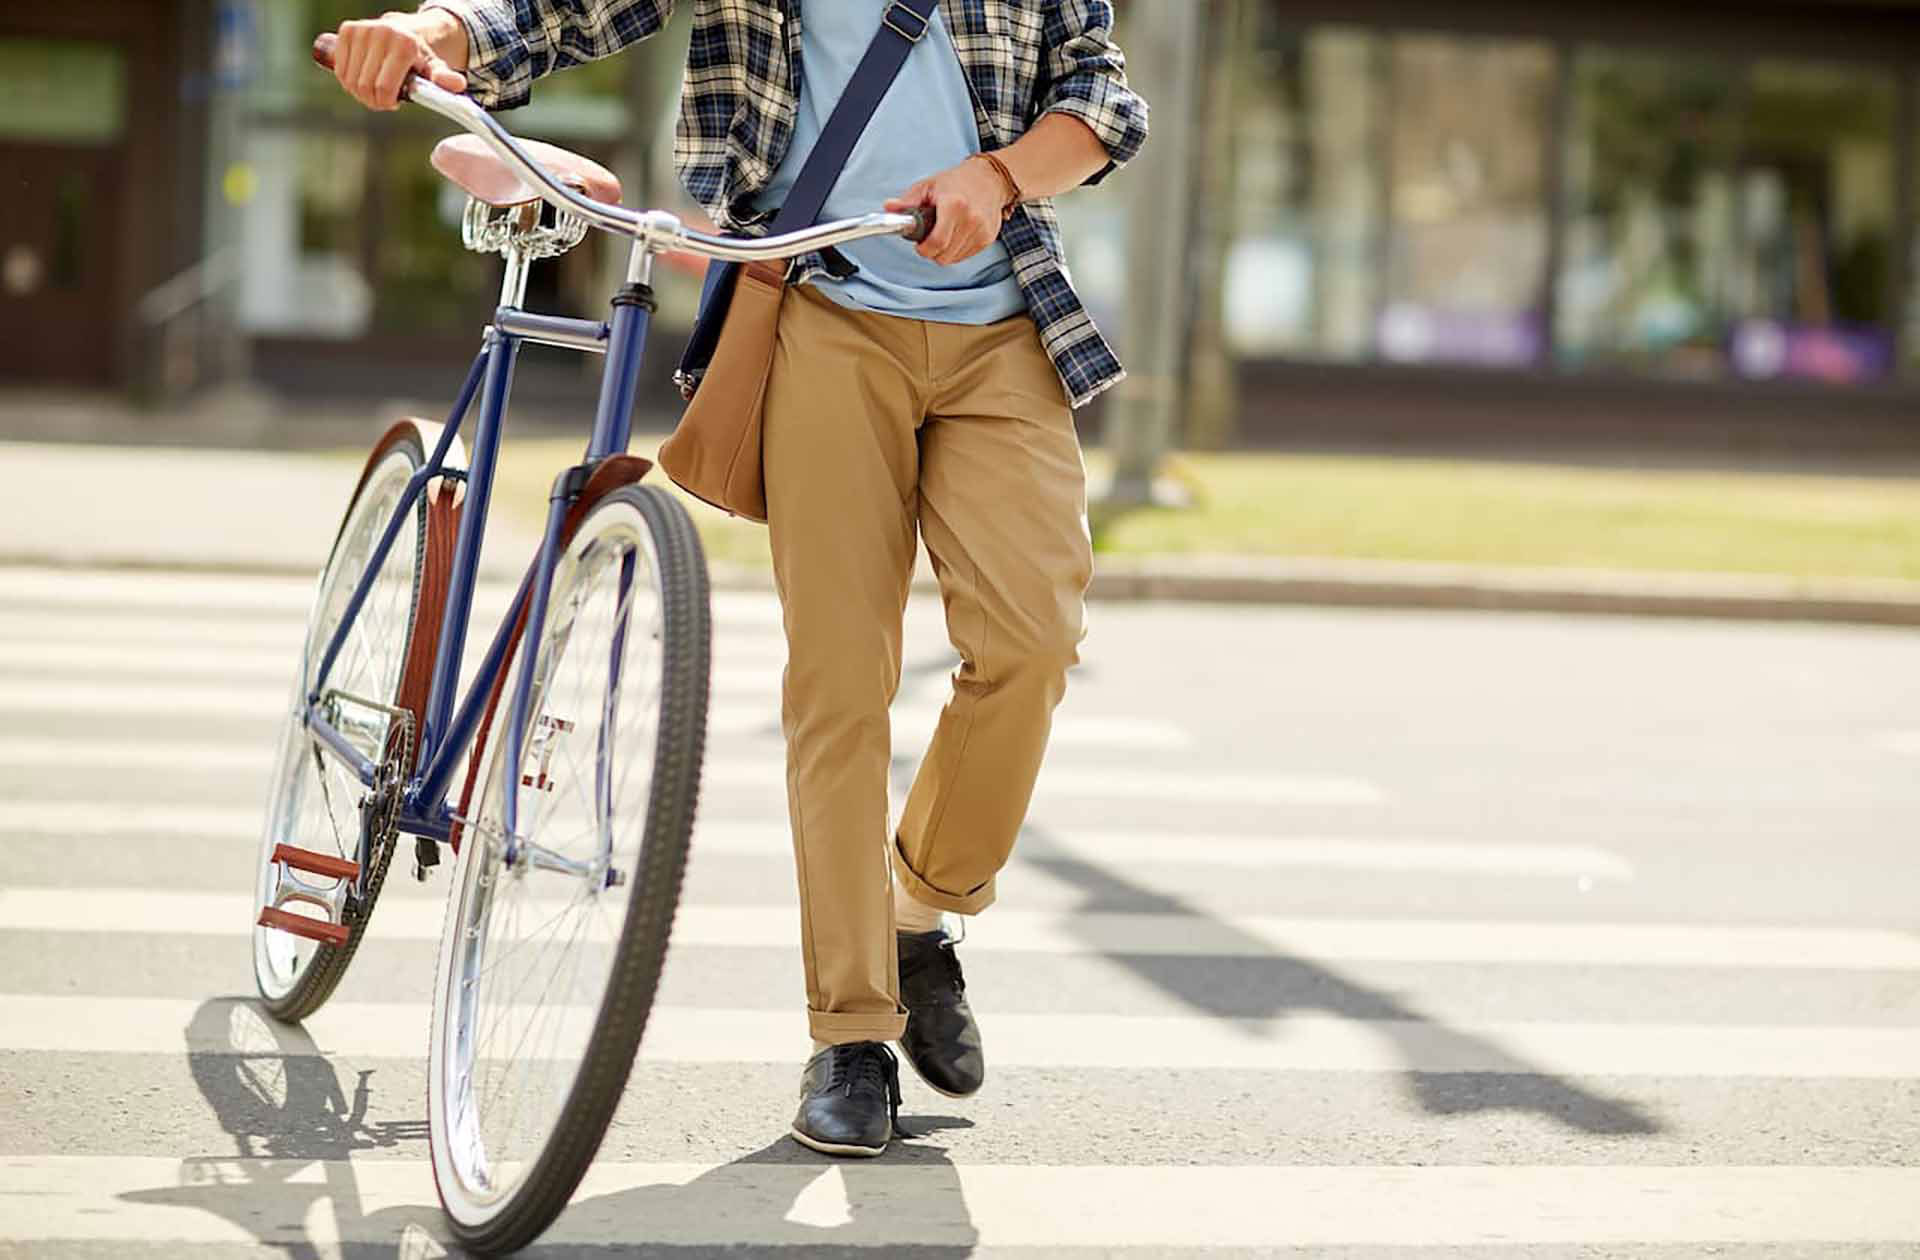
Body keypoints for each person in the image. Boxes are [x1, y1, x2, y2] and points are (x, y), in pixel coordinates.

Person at [326, 0, 1147, 1158]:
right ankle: (851, 1033)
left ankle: (917, 913)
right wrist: (434, 31)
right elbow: (566, 11)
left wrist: (1003, 175)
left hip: (1004, 328)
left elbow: (1102, 99)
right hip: (821, 310)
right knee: (840, 686)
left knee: (1031, 645)